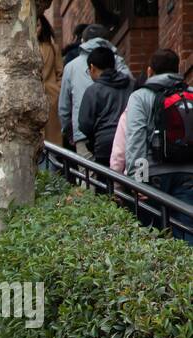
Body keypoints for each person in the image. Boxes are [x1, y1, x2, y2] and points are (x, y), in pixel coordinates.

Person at [124, 48, 193, 242]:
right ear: (177, 68)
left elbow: (136, 139)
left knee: (152, 236)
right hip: (188, 173)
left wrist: (137, 180)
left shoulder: (140, 96)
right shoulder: (190, 94)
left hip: (154, 175)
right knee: (187, 236)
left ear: (149, 71)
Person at [59, 24, 131, 156]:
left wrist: (70, 133)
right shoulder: (118, 62)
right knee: (118, 175)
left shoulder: (71, 67)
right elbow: (131, 92)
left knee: (88, 175)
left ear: (83, 41)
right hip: (120, 133)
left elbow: (64, 108)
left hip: (83, 136)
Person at [76, 46, 131, 164]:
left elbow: (84, 123)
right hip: (130, 141)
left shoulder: (93, 91)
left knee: (105, 181)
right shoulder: (131, 85)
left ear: (92, 68)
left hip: (104, 145)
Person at [39, 15, 64, 146]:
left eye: (38, 25)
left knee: (52, 141)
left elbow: (60, 73)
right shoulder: (21, 49)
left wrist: (57, 89)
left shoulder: (53, 48)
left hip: (51, 97)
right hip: (29, 97)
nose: (35, 29)